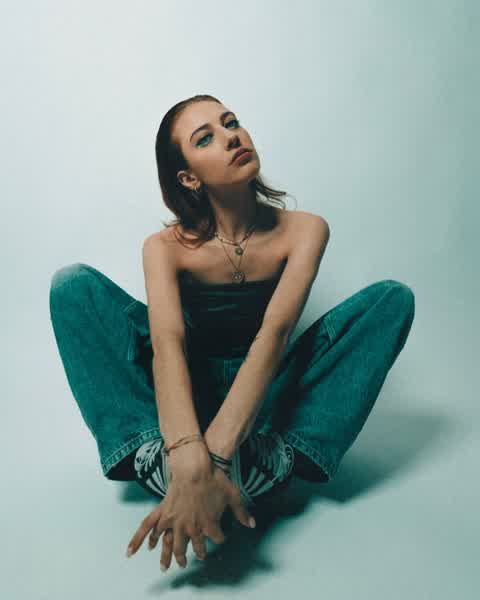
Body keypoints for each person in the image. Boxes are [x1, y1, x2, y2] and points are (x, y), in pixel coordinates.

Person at [49, 94, 415, 571]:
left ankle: (272, 458)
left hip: (263, 396)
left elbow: (274, 336)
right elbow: (168, 345)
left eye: (231, 123)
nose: (232, 137)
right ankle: (158, 456)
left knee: (391, 300)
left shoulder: (305, 230)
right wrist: (187, 453)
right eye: (206, 138)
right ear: (189, 177)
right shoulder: (164, 247)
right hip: (188, 394)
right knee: (72, 286)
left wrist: (217, 456)